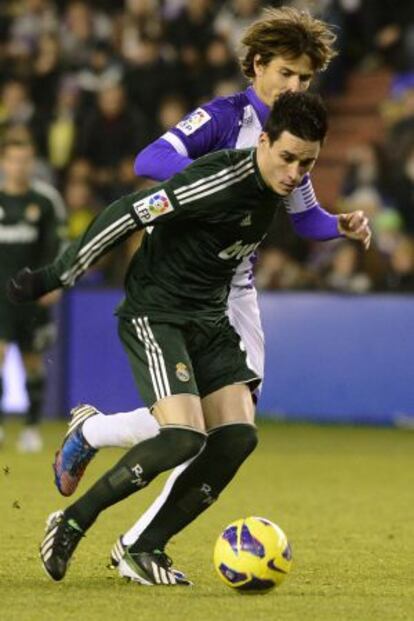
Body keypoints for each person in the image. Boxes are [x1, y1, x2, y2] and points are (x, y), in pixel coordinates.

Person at [8, 91, 371, 585]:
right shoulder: (219, 178)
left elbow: (305, 217)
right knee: (182, 437)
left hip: (208, 317)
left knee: (238, 436)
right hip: (156, 312)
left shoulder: (283, 184)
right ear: (263, 141)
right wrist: (56, 275)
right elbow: (129, 211)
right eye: (286, 158)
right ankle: (72, 521)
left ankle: (144, 546)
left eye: (306, 163)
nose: (294, 173)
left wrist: (340, 224)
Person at [52, 6, 343, 571]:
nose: (295, 86)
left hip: (237, 287)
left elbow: (306, 218)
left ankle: (110, 472)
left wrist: (343, 223)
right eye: (286, 73)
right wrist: (215, 182)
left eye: (305, 79)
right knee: (201, 426)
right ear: (256, 66)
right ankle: (131, 529)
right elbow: (150, 158)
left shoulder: (294, 138)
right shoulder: (226, 117)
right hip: (183, 279)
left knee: (230, 424)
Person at [0, 138, 66, 451]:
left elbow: (58, 245)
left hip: (32, 294)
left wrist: (54, 282)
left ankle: (31, 427)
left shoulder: (45, 201)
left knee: (31, 361)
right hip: (0, 296)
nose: (19, 167)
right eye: (13, 160)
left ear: (32, 163)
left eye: (24, 160)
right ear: (3, 163)